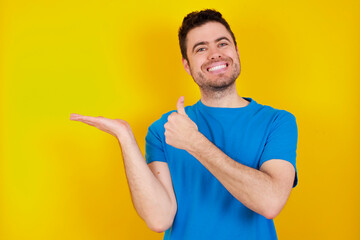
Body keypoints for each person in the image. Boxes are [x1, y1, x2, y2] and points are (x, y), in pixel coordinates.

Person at [70, 9, 298, 240]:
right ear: (187, 65)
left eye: (222, 43)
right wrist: (125, 137)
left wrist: (195, 143)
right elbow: (159, 219)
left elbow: (270, 202)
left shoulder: (277, 122)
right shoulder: (165, 129)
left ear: (237, 52)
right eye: (201, 48)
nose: (215, 54)